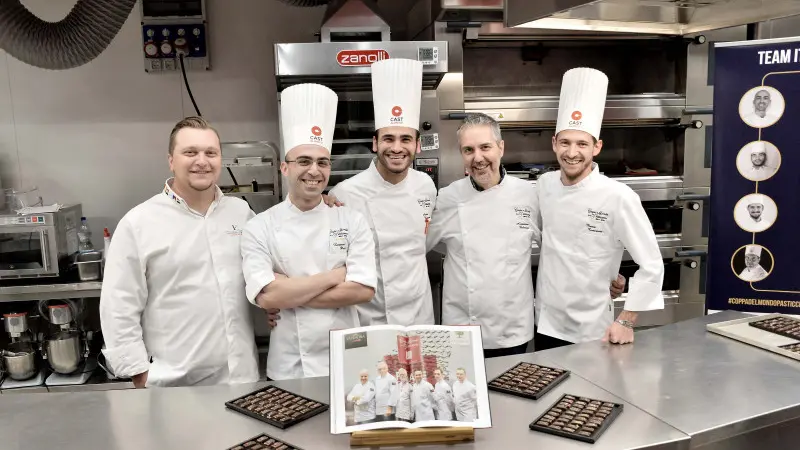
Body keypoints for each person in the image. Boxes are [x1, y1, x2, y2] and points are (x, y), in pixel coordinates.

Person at [426, 113, 626, 358]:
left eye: (485, 147)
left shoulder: (530, 195)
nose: (478, 158)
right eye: (468, 150)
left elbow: (564, 250)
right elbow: (417, 247)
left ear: (501, 148)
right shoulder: (448, 198)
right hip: (461, 327)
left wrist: (603, 277)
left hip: (513, 329)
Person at [99, 117, 260, 388]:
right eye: (190, 152)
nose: (202, 161)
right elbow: (118, 304)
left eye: (211, 153)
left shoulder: (241, 213)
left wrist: (323, 203)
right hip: (174, 384)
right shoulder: (139, 223)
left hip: (240, 378)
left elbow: (267, 269)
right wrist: (138, 372)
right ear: (171, 160)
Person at [240, 83, 377, 381]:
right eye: (303, 161)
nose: (314, 170)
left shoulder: (351, 220)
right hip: (288, 363)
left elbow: (363, 290)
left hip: (348, 361)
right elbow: (266, 298)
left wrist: (288, 292)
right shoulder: (258, 226)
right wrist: (335, 276)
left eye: (322, 162)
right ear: (284, 168)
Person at [534, 67, 665, 350]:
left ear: (597, 147)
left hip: (593, 328)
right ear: (554, 143)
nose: (572, 153)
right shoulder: (544, 185)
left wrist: (627, 320)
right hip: (545, 321)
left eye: (582, 143)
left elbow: (652, 265)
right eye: (565, 142)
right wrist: (613, 276)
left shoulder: (618, 196)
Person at [328, 58, 437, 327]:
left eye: (405, 139)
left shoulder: (426, 186)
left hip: (419, 314)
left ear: (417, 145)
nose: (397, 148)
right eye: (388, 138)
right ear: (375, 143)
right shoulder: (346, 193)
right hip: (370, 318)